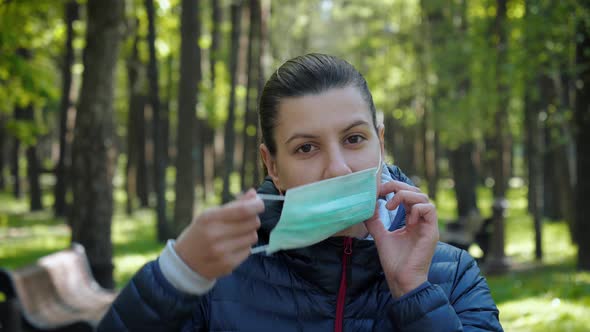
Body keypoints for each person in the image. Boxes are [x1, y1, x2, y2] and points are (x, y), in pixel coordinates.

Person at [98, 53, 503, 331]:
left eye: (355, 139)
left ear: (380, 143)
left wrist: (413, 291)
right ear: (272, 166)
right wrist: (175, 276)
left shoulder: (452, 277)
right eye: (306, 148)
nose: (338, 168)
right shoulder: (218, 282)